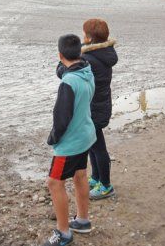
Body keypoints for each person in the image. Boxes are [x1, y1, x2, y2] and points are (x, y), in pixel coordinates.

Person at [57, 19, 118, 201]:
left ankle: (106, 185)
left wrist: (65, 60)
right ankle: (97, 178)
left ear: (89, 37)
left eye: (84, 33)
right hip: (100, 105)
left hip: (93, 109)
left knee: (98, 147)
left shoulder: (89, 59)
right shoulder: (104, 53)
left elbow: (63, 72)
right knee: (92, 144)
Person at [44, 34, 96, 246]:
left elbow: (61, 118)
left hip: (70, 142)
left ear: (60, 55)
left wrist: (53, 138)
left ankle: (63, 232)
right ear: (80, 53)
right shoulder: (87, 71)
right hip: (85, 134)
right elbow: (68, 70)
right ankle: (82, 220)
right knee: (80, 175)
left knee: (54, 183)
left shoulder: (69, 83)